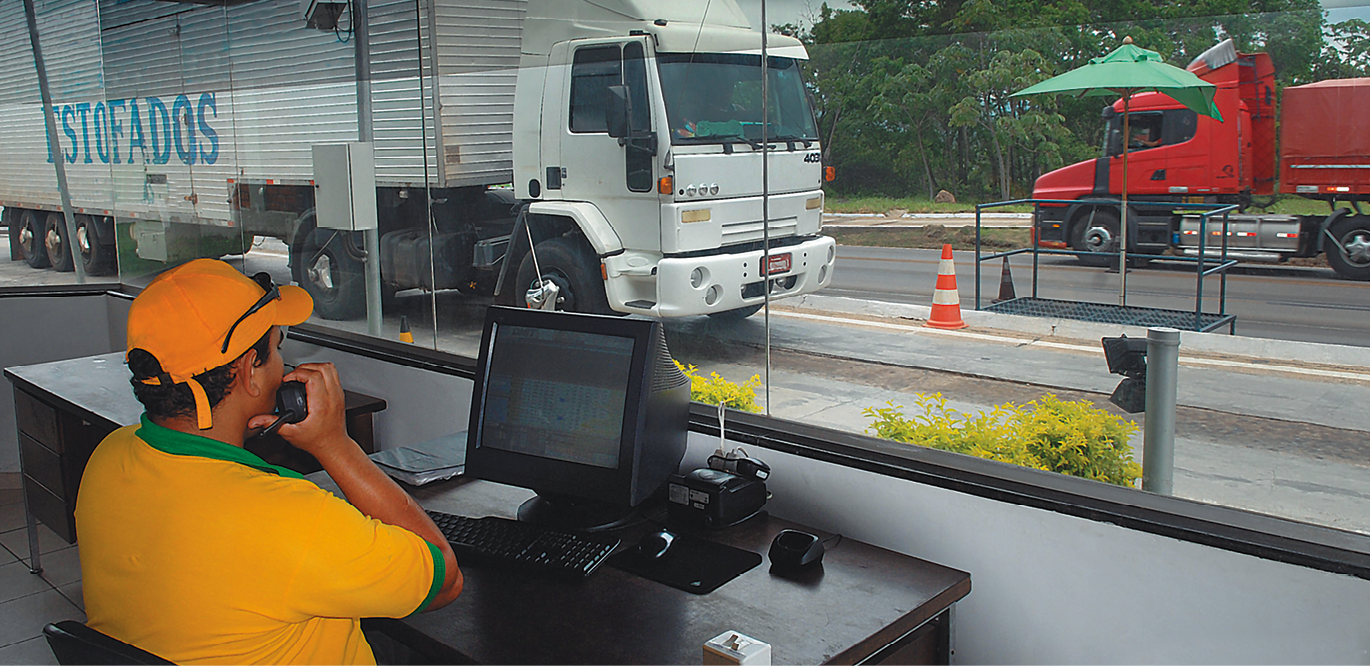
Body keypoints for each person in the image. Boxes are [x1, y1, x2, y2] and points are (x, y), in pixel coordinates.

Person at [75, 258, 462, 666]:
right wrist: (336, 445)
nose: (284, 365)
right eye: (278, 349)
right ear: (248, 372)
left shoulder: (108, 456)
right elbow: (445, 581)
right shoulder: (285, 515)